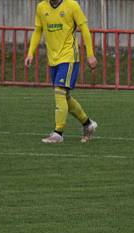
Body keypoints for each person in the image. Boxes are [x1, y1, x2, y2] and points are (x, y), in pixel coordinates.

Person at [24, 0, 98, 144]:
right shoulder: (41, 7)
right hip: (53, 59)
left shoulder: (72, 5)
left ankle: (58, 133)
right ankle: (88, 124)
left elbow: (84, 29)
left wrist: (90, 54)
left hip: (69, 56)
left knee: (59, 91)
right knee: (65, 97)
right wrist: (30, 53)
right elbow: (38, 30)